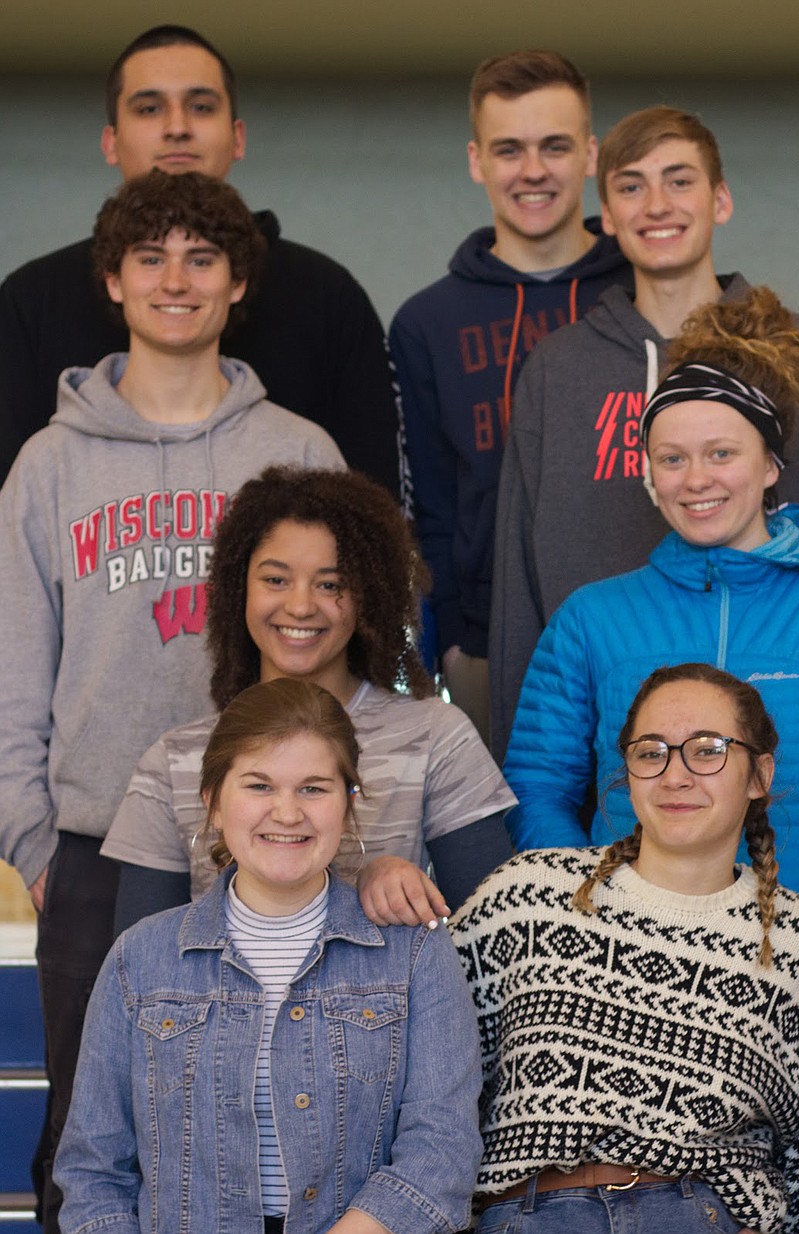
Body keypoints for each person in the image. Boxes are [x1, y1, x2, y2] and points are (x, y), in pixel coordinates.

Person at [0, 170, 344, 1233]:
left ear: (238, 281)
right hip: (98, 854)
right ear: (112, 279)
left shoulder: (297, 452)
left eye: (202, 257)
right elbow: (12, 674)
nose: (176, 280)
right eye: (150, 258)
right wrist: (37, 848)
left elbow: (344, 664)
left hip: (273, 844)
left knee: (277, 1124)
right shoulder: (48, 467)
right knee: (93, 1140)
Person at [502, 287, 799, 933]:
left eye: (721, 453)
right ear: (650, 473)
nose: (695, 479)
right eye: (672, 459)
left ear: (771, 464)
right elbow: (535, 786)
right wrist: (590, 902)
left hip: (781, 963)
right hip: (617, 946)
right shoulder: (591, 619)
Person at [490, 105, 799, 760]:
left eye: (680, 180)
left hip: (778, 738)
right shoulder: (558, 370)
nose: (656, 205)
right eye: (631, 186)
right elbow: (518, 583)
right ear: (606, 216)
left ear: (720, 200)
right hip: (601, 744)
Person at [56, 677, 482, 1234]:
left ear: (349, 804)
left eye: (313, 788)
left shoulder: (416, 953)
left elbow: (442, 1150)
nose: (286, 812)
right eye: (259, 785)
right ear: (213, 801)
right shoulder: (139, 960)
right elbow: (92, 1174)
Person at [451, 663, 799, 1234]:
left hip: (703, 1214)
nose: (675, 775)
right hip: (531, 1214)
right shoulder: (526, 895)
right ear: (627, 770)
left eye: (707, 750)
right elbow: (425, 1072)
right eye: (651, 751)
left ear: (759, 775)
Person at [103, 464, 516, 933]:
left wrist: (388, 879)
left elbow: (491, 938)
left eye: (330, 585)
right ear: (238, 587)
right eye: (275, 580)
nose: (300, 606)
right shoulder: (172, 762)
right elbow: (138, 966)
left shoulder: (437, 737)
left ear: (368, 596)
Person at [0, 24, 398, 491]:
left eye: (201, 107)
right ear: (110, 141)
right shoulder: (30, 301)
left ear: (238, 137)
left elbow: (376, 504)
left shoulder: (328, 296)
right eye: (149, 108)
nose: (177, 127)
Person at [388, 49, 630, 741]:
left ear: (589, 156)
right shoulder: (426, 322)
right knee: (511, 850)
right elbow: (429, 505)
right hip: (489, 645)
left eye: (555, 147)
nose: (532, 171)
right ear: (477, 160)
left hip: (646, 625)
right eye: (509, 149)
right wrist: (454, 646)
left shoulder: (643, 294)